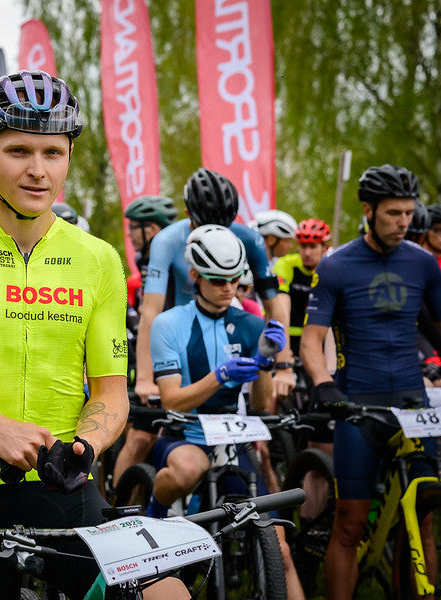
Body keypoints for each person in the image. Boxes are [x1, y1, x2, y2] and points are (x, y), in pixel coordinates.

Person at [0, 70, 186, 599]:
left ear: (69, 156)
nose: (38, 170)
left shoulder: (99, 260)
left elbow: (112, 393)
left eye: (53, 153)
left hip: (67, 489)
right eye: (19, 151)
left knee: (167, 593)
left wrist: (86, 446)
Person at [301, 164, 441, 600]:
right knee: (349, 524)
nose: (404, 222)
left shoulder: (423, 263)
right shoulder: (336, 265)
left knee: (424, 518)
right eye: (394, 213)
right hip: (358, 406)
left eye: (409, 213)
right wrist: (324, 384)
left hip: (413, 403)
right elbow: (311, 340)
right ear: (368, 210)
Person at [147, 225, 304, 600]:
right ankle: (154, 512)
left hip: (232, 442)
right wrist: (219, 376)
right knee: (188, 469)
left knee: (281, 551)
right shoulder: (169, 323)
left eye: (235, 279)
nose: (229, 288)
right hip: (185, 433)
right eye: (218, 280)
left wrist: (265, 363)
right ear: (194, 275)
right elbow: (171, 400)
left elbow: (261, 404)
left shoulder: (251, 324)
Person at [135, 169, 293, 413]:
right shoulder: (166, 240)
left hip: (226, 322)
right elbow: (150, 313)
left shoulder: (249, 239)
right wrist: (145, 379)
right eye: (206, 226)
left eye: (224, 226)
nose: (217, 234)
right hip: (177, 331)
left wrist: (283, 367)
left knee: (264, 410)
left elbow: (274, 308)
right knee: (144, 431)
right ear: (188, 214)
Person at [114, 195, 178, 486]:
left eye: (133, 228)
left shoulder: (170, 264)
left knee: (145, 437)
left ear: (150, 230)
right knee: (140, 438)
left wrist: (148, 377)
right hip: (148, 358)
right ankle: (114, 502)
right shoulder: (144, 263)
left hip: (170, 358)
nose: (130, 235)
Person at [273, 218, 332, 358]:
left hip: (318, 337)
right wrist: (284, 350)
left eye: (312, 247)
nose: (307, 253)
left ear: (325, 248)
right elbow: (280, 302)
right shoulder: (285, 264)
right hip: (287, 335)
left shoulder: (331, 269)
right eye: (303, 246)